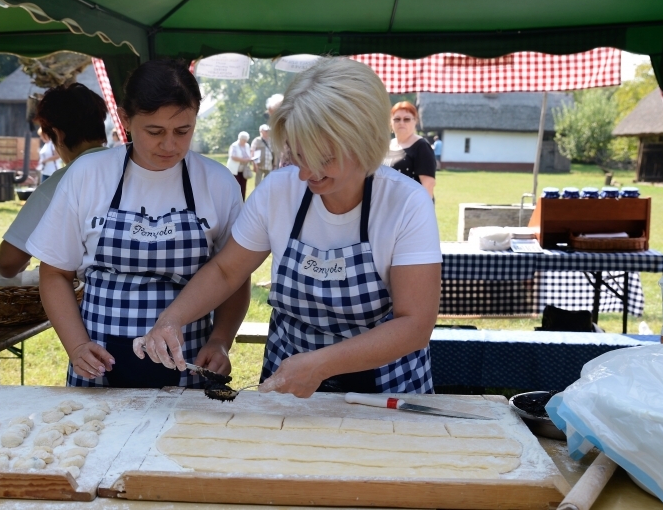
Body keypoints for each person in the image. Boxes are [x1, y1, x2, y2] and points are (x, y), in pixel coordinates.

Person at [137, 57, 442, 397]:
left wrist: (321, 364)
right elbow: (226, 271)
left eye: (324, 158)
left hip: (386, 387)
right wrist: (172, 319)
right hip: (289, 378)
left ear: (365, 141)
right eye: (298, 155)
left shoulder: (405, 203)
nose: (305, 174)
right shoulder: (278, 192)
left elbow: (414, 325)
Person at [26, 59, 248, 389]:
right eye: (155, 131)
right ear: (126, 119)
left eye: (183, 131)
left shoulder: (217, 183)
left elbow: (234, 276)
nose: (170, 145)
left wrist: (219, 340)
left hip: (189, 362)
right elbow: (55, 272)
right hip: (99, 362)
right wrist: (76, 345)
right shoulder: (89, 175)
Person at [0, 83, 109, 278]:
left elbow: (7, 262)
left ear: (57, 134)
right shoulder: (137, 168)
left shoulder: (60, 184)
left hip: (88, 301)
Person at [385, 102, 437, 199]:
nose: (401, 123)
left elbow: (428, 184)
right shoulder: (386, 146)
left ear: (415, 121)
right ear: (391, 122)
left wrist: (422, 211)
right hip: (388, 206)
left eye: (407, 119)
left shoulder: (421, 147)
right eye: (397, 119)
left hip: (410, 208)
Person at [226, 131, 252, 200]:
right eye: (243, 140)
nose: (245, 142)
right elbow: (233, 156)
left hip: (244, 170)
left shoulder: (247, 146)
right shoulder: (234, 145)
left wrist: (250, 159)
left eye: (246, 140)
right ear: (240, 139)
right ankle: (234, 200)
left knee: (243, 186)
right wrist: (243, 160)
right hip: (235, 170)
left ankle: (242, 201)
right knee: (235, 186)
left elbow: (249, 155)